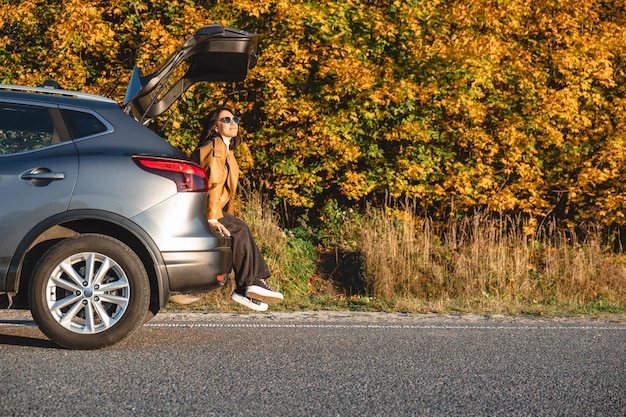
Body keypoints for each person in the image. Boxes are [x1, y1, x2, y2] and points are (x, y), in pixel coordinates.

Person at [189, 107, 283, 311]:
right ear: (215, 126)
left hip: (211, 208)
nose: (233, 122)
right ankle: (247, 285)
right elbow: (214, 181)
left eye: (235, 119)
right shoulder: (215, 146)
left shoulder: (226, 148)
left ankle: (251, 284)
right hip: (204, 208)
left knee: (240, 228)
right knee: (239, 230)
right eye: (226, 119)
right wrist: (213, 217)